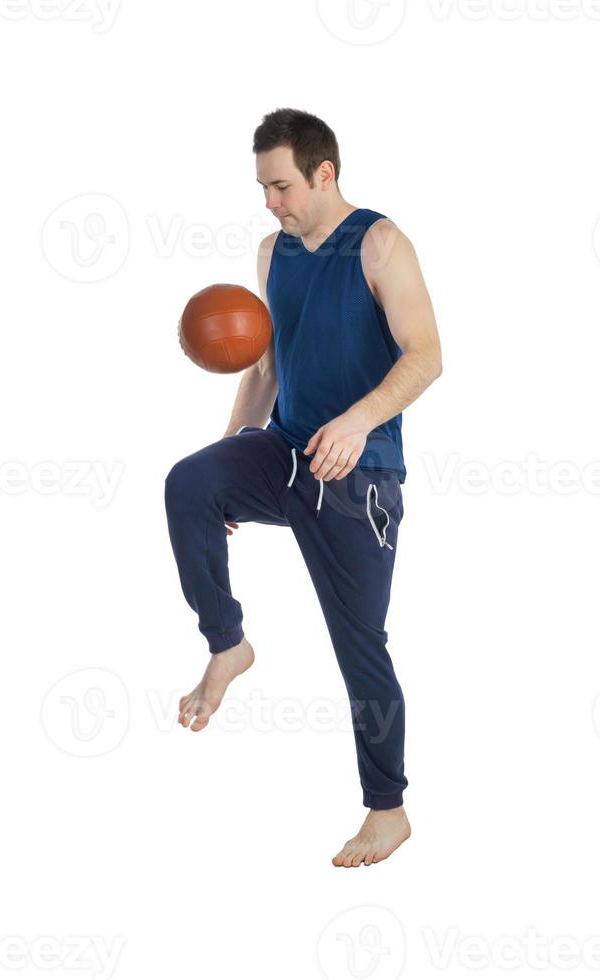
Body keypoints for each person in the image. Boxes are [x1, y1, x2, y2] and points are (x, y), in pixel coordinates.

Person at [165, 108, 443, 868]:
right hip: (284, 453)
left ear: (325, 172)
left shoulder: (381, 244)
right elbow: (266, 368)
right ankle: (228, 645)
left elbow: (426, 356)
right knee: (187, 483)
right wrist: (226, 464)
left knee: (361, 650)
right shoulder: (272, 252)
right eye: (262, 188)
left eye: (281, 185)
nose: (271, 203)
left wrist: (357, 422)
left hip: (359, 476)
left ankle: (387, 812)